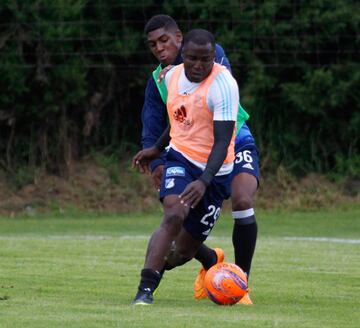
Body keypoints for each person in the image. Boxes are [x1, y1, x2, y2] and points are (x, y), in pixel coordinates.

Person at [141, 15, 259, 305]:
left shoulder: (206, 54)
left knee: (243, 199)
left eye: (164, 40)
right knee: (177, 239)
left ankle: (240, 282)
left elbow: (216, 105)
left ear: (180, 39)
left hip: (233, 140)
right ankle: (210, 259)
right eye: (153, 44)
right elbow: (158, 119)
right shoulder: (161, 78)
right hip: (191, 154)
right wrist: (156, 160)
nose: (159, 47)